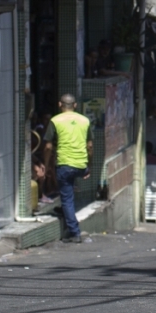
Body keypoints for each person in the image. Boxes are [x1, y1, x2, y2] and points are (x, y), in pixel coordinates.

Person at [44, 94, 93, 243]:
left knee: (67, 199)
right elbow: (90, 146)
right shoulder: (85, 121)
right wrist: (88, 166)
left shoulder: (55, 121)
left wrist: (47, 166)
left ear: (60, 104)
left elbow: (47, 146)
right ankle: (66, 213)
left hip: (64, 165)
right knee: (69, 192)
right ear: (75, 105)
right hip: (80, 165)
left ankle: (74, 232)